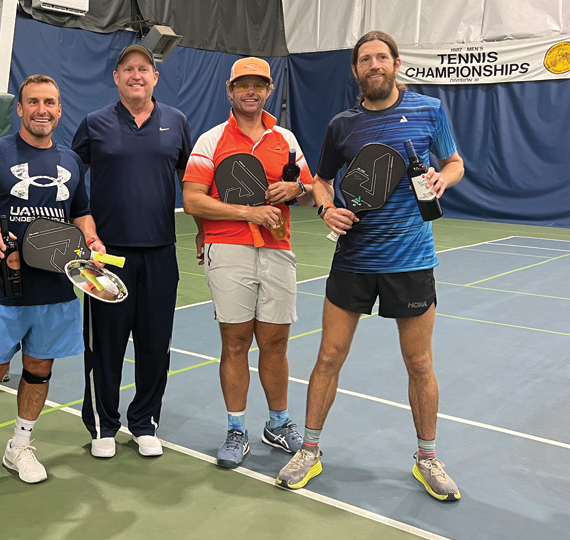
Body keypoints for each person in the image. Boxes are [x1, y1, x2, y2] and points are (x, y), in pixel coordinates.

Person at [275, 30, 465, 501]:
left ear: (396, 63)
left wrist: (445, 177)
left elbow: (456, 161)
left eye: (382, 57)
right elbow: (319, 181)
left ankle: (428, 459)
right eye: (365, 59)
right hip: (354, 260)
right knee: (328, 357)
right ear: (356, 70)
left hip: (411, 260)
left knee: (419, 362)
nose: (374, 65)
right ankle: (310, 450)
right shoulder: (343, 125)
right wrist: (325, 208)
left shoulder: (429, 111)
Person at [0, 74, 105, 504]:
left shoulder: (71, 161)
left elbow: (81, 213)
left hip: (56, 287)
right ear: (19, 109)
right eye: (33, 102)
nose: (42, 110)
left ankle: (19, 446)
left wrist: (90, 239)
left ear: (59, 109)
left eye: (50, 102)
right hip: (3, 286)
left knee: (39, 370)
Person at [182, 57, 314, 469]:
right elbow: (192, 200)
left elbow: (310, 192)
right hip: (229, 250)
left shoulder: (286, 139)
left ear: (269, 90)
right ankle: (236, 430)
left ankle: (278, 423)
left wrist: (295, 188)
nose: (250, 91)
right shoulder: (212, 140)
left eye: (258, 84)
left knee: (275, 343)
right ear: (230, 90)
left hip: (277, 249)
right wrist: (248, 213)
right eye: (243, 85)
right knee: (236, 343)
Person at [70, 44, 192, 459]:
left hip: (160, 252)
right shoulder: (94, 123)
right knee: (105, 343)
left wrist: (205, 230)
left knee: (155, 343)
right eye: (128, 69)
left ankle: (145, 422)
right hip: (106, 255)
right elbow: (69, 179)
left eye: (144, 69)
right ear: (117, 78)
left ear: (155, 78)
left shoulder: (176, 122)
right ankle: (103, 425)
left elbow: (191, 183)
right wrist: (82, 228)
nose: (136, 75)